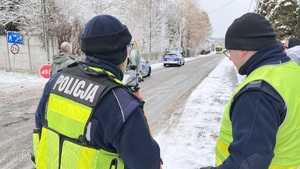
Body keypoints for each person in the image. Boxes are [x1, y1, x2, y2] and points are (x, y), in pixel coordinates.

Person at [32, 14, 161, 169]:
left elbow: (41, 125)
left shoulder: (56, 80)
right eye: (127, 47)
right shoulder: (122, 104)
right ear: (121, 52)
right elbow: (148, 164)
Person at [201, 13, 300, 169]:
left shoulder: (257, 94)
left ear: (243, 49)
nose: (230, 58)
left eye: (230, 51)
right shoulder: (293, 70)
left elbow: (248, 163)